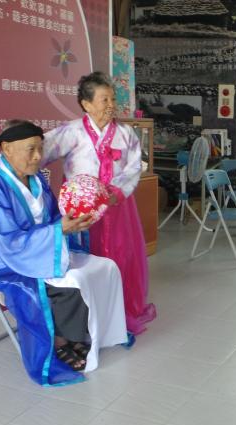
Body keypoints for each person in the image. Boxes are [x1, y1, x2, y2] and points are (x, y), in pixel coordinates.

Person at [0, 120, 130, 386]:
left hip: (40, 245)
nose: (38, 157)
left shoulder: (36, 180)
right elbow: (7, 241)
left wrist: (73, 222)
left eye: (40, 149)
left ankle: (86, 335)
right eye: (31, 149)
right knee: (57, 284)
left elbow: (54, 216)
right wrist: (57, 232)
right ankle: (60, 341)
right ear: (6, 149)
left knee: (101, 267)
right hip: (5, 258)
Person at [43, 72, 156, 335]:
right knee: (86, 262)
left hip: (118, 207)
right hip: (82, 212)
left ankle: (120, 311)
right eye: (104, 99)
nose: (110, 105)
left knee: (122, 259)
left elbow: (133, 167)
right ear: (86, 103)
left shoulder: (126, 133)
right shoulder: (71, 131)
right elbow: (40, 152)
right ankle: (88, 317)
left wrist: (116, 191)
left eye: (112, 99)